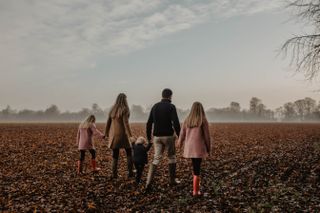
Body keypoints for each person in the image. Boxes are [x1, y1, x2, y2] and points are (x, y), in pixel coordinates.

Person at [146, 88, 181, 190]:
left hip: (157, 137)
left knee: (156, 158)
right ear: (170, 96)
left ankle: (148, 182)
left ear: (162, 95)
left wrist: (149, 138)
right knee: (171, 157)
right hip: (169, 136)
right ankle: (172, 180)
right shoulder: (171, 107)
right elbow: (176, 123)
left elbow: (149, 123)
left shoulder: (155, 106)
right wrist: (180, 136)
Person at [177, 102, 211, 196]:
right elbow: (207, 137)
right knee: (197, 168)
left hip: (190, 148)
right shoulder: (203, 120)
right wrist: (209, 148)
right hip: (198, 148)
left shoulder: (187, 120)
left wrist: (179, 143)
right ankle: (196, 191)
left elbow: (182, 133)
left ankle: (196, 188)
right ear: (201, 109)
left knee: (195, 167)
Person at [105, 93, 135, 179]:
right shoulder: (124, 109)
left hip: (114, 135)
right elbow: (126, 123)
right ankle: (130, 173)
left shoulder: (112, 109)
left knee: (115, 154)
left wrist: (106, 133)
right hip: (123, 135)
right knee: (129, 152)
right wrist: (130, 136)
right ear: (124, 99)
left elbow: (108, 122)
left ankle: (114, 174)